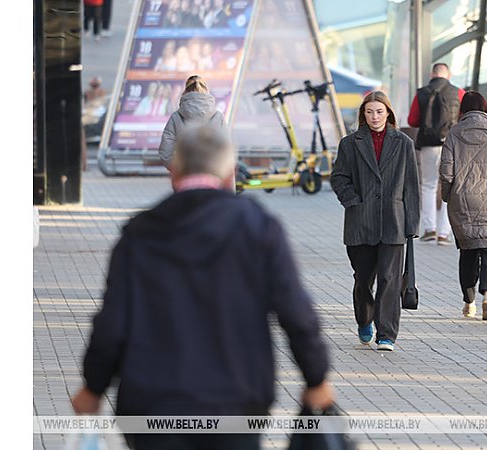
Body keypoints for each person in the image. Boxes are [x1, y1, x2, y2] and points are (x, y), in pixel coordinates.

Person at [70, 126, 335, 450]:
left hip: (154, 405)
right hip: (236, 400)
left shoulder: (140, 234)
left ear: (175, 170)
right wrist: (316, 377)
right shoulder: (258, 228)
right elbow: (295, 311)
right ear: (229, 172)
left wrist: (93, 387)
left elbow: (112, 323)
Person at [331, 91, 420, 352]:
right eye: (370, 112)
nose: (375, 117)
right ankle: (364, 318)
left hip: (393, 221)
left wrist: (412, 224)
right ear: (363, 115)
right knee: (363, 279)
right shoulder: (350, 143)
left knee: (390, 278)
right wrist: (353, 201)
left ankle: (387, 334)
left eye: (379, 111)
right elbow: (338, 177)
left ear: (388, 113)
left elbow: (412, 187)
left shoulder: (403, 143)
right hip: (361, 221)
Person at [439, 92, 487, 320]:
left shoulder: (453, 134)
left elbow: (446, 172)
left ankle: (469, 302)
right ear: (486, 109)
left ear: (462, 110)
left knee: (468, 252)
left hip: (462, 201)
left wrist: (447, 196)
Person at [407, 63, 466, 246]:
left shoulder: (422, 93)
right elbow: (464, 117)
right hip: (451, 145)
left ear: (432, 73)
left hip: (428, 145)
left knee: (428, 185)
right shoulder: (459, 93)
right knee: (450, 185)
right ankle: (443, 233)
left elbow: (412, 120)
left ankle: (429, 229)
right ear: (449, 74)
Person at [159, 75, 227, 170]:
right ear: (206, 90)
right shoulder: (218, 116)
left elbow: (165, 152)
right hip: (212, 175)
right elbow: (225, 150)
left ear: (185, 90)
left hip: (184, 176)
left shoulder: (176, 117)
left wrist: (179, 170)